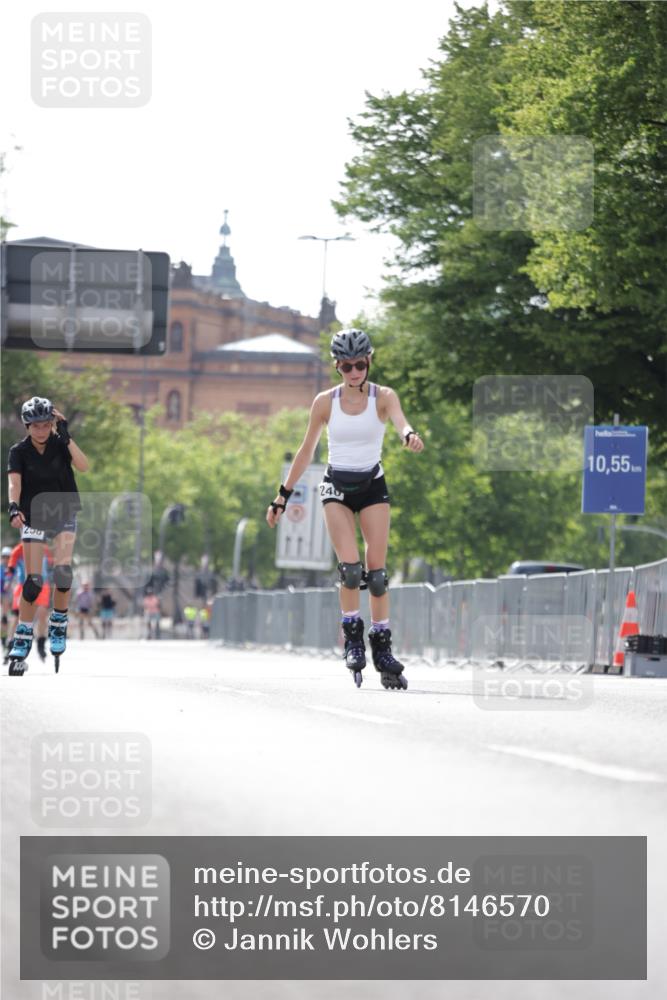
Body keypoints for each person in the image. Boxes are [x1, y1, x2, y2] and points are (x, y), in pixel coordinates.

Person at [266, 328, 424, 689]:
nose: (354, 372)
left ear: (369, 361)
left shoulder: (383, 398)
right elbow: (306, 451)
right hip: (336, 486)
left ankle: (382, 648)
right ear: (338, 367)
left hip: (372, 485)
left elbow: (401, 422)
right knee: (351, 570)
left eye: (360, 364)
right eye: (347, 366)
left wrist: (408, 436)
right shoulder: (325, 402)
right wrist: (282, 496)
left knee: (378, 574)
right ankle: (353, 636)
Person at [6, 396, 89, 665]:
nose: (41, 430)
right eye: (35, 426)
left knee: (63, 573)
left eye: (45, 425)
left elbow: (83, 466)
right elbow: (14, 484)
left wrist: (66, 436)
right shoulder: (18, 451)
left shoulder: (60, 443)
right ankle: (23, 635)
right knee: (33, 583)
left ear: (52, 422)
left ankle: (58, 623)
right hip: (33, 515)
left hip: (63, 510)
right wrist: (14, 506)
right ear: (26, 426)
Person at [5, 541, 54, 661]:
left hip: (42, 585)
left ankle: (41, 643)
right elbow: (12, 563)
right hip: (23, 584)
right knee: (18, 616)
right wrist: (9, 576)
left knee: (42, 614)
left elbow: (52, 563)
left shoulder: (45, 548)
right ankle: (11, 643)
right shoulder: (20, 548)